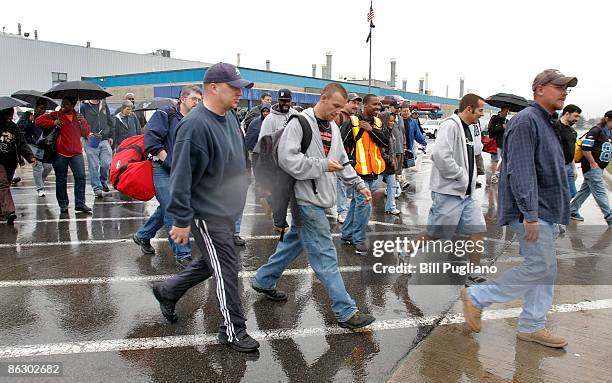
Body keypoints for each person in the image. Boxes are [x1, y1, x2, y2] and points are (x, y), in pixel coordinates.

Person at [463, 69, 578, 349]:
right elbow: (521, 170)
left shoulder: (547, 122)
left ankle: (532, 325)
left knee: (546, 269)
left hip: (546, 209)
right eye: (559, 86)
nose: (564, 92)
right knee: (539, 266)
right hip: (532, 210)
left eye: (567, 88)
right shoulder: (527, 121)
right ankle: (478, 296)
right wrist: (530, 215)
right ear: (539, 89)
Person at [151, 62, 260, 353]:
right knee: (227, 268)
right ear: (213, 87)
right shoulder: (195, 125)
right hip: (206, 212)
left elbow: (238, 158)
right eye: (234, 87)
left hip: (226, 209)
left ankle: (167, 291)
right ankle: (233, 330)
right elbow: (181, 177)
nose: (240, 92)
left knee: (211, 261)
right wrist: (182, 219)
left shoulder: (229, 116)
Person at [252, 83, 376, 330]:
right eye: (336, 106)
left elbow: (341, 160)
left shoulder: (332, 127)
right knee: (325, 255)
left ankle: (264, 280)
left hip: (317, 198)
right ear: (323, 98)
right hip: (305, 200)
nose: (339, 112)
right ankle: (345, 310)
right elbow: (288, 160)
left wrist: (359, 185)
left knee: (294, 242)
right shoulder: (300, 123)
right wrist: (322, 165)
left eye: (342, 108)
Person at [422, 94, 487, 286]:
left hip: (467, 195)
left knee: (477, 230)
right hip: (448, 193)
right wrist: (461, 175)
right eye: (480, 110)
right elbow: (440, 155)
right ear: (468, 109)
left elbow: (474, 152)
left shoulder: (471, 128)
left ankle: (473, 274)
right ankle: (406, 251)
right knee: (434, 234)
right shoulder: (450, 125)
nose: (482, 115)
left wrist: (470, 179)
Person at [133, 85, 201, 268]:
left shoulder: (196, 120)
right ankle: (183, 254)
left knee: (165, 208)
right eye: (194, 99)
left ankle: (142, 235)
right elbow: (152, 140)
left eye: (199, 100)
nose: (197, 103)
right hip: (163, 169)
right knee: (173, 208)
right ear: (183, 99)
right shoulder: (165, 115)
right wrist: (168, 161)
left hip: (184, 171)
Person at [340, 94, 389, 254]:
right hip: (358, 172)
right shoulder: (353, 122)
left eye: (379, 105)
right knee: (364, 205)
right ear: (365, 105)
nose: (377, 107)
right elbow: (340, 145)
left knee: (357, 204)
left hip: (373, 171)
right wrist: (348, 166)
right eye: (374, 104)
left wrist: (371, 129)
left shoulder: (378, 122)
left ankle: (347, 234)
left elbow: (385, 141)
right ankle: (359, 239)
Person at [36, 97, 92, 214]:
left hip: (76, 152)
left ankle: (80, 204)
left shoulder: (79, 117)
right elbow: (38, 121)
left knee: (80, 177)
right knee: (61, 179)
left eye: (66, 104)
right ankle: (63, 205)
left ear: (73, 106)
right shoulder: (55, 115)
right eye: (62, 104)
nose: (63, 106)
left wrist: (82, 122)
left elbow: (86, 133)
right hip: (60, 153)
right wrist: (53, 122)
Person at [256, 88, 299, 232]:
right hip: (277, 162)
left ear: (291, 101)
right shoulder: (270, 119)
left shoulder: (296, 115)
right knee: (280, 192)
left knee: (291, 192)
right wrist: (267, 164)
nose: (285, 103)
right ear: (278, 101)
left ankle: (269, 201)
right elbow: (263, 142)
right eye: (282, 101)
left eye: (287, 101)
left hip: (293, 160)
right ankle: (280, 223)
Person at [569, 111, 612, 227]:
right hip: (592, 167)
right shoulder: (596, 130)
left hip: (600, 167)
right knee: (599, 191)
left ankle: (572, 209)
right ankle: (609, 216)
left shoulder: (609, 132)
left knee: (585, 190)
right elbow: (585, 147)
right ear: (607, 119)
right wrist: (592, 162)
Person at [1, 107, 36, 224]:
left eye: (11, 114)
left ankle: (2, 210)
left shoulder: (13, 127)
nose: (10, 117)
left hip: (10, 161)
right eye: (8, 114)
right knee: (3, 184)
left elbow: (21, 143)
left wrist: (30, 157)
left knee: (5, 185)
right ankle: (9, 211)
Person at [16, 99, 54, 197]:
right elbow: (19, 127)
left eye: (44, 109)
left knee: (48, 167)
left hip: (43, 145)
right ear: (35, 107)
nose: (42, 110)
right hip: (31, 144)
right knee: (37, 165)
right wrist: (29, 121)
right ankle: (40, 188)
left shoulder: (46, 117)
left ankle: (40, 181)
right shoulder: (27, 115)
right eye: (40, 108)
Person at [335, 93, 362, 224]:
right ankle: (342, 212)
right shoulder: (338, 116)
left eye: (357, 103)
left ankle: (345, 210)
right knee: (341, 184)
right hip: (339, 157)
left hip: (351, 157)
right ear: (346, 102)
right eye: (353, 103)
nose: (356, 106)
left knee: (349, 186)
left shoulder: (354, 118)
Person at [80, 98, 114, 198]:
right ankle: (97, 188)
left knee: (106, 163)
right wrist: (86, 134)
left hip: (104, 139)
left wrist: (111, 135)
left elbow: (109, 121)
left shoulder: (104, 106)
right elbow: (80, 123)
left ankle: (103, 181)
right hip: (90, 139)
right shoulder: (83, 106)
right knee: (93, 165)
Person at [557, 104, 582, 200]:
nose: (577, 119)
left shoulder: (572, 132)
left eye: (578, 117)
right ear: (567, 114)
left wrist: (574, 168)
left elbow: (571, 150)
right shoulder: (556, 127)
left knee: (572, 193)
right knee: (560, 193)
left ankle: (566, 212)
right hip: (558, 165)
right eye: (575, 116)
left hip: (569, 165)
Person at [380, 113, 400, 214]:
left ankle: (391, 207)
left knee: (392, 185)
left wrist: (394, 160)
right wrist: (390, 160)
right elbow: (381, 151)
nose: (392, 123)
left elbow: (393, 149)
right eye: (390, 120)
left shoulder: (390, 132)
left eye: (393, 121)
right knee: (373, 186)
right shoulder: (382, 133)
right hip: (381, 164)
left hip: (390, 164)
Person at [487, 106, 509, 184]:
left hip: (504, 142)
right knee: (495, 159)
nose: (507, 113)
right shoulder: (494, 118)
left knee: (506, 159)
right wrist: (501, 127)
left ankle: (497, 172)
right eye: (506, 111)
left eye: (508, 112)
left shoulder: (507, 121)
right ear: (501, 111)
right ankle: (493, 175)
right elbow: (491, 129)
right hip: (495, 142)